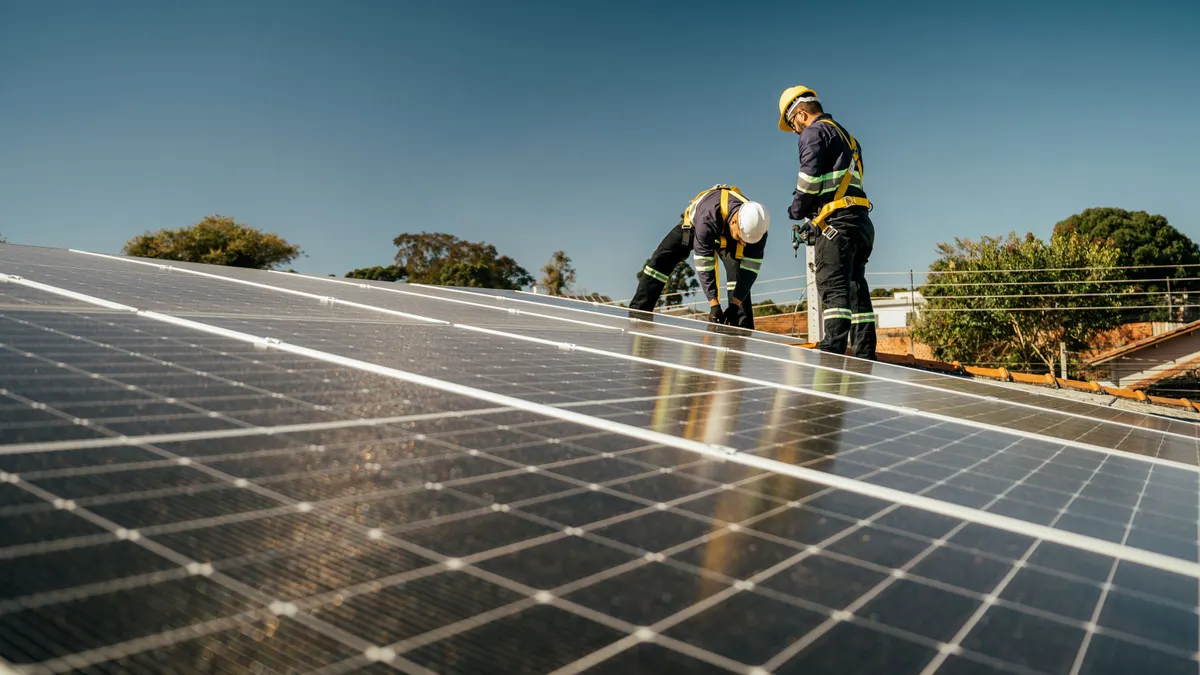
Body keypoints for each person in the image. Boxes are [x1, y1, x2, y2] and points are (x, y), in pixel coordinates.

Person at [778, 85, 878, 360]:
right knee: (856, 288)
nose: (795, 130)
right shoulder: (849, 138)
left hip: (837, 226)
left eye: (792, 124)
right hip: (860, 222)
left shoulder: (813, 132)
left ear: (800, 114)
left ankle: (831, 356)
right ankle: (865, 355)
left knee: (834, 290)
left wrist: (796, 209)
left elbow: (808, 183)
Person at [629, 184, 770, 329]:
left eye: (746, 241)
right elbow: (705, 264)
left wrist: (735, 305)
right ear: (734, 222)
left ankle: (742, 328)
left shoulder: (757, 229)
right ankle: (639, 312)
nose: (742, 242)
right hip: (695, 226)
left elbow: (750, 271)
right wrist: (714, 305)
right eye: (740, 238)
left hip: (727, 232)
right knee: (660, 261)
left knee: (738, 275)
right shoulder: (708, 217)